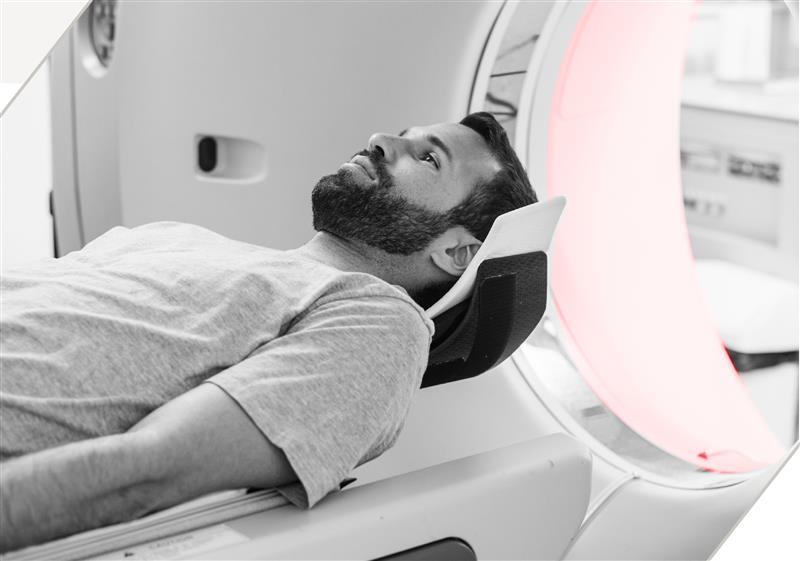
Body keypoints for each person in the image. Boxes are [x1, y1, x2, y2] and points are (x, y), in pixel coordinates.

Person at [0, 112, 536, 551]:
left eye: (427, 157)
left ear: (456, 250)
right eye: (405, 133)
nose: (380, 139)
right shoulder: (175, 235)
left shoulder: (379, 322)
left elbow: (144, 471)